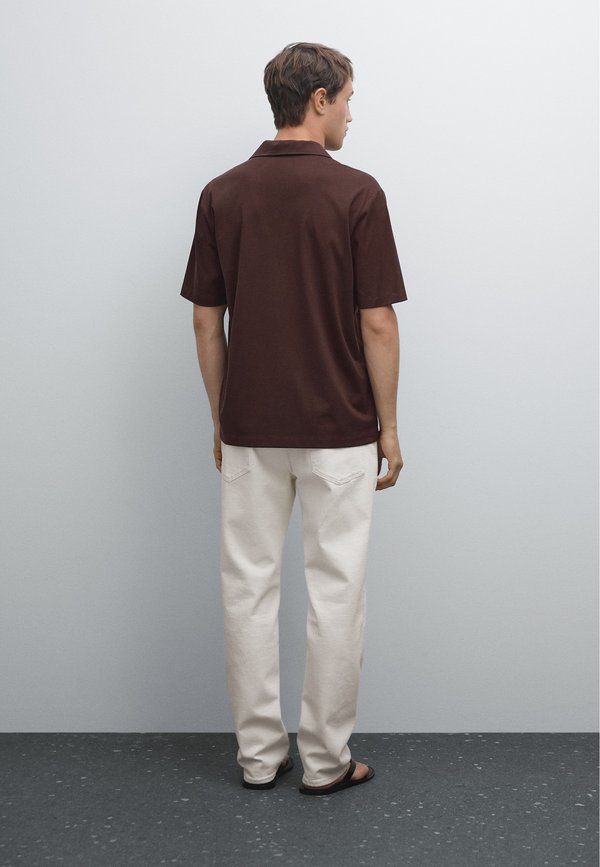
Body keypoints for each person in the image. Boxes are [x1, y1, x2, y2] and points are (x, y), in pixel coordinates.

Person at [180, 41, 407, 796]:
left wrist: (222, 417)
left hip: (250, 426)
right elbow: (377, 320)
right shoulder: (358, 193)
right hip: (340, 427)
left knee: (247, 588)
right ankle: (325, 762)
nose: (351, 113)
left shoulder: (222, 193)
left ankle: (257, 758)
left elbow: (206, 320)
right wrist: (389, 426)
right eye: (348, 98)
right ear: (318, 100)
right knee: (336, 593)